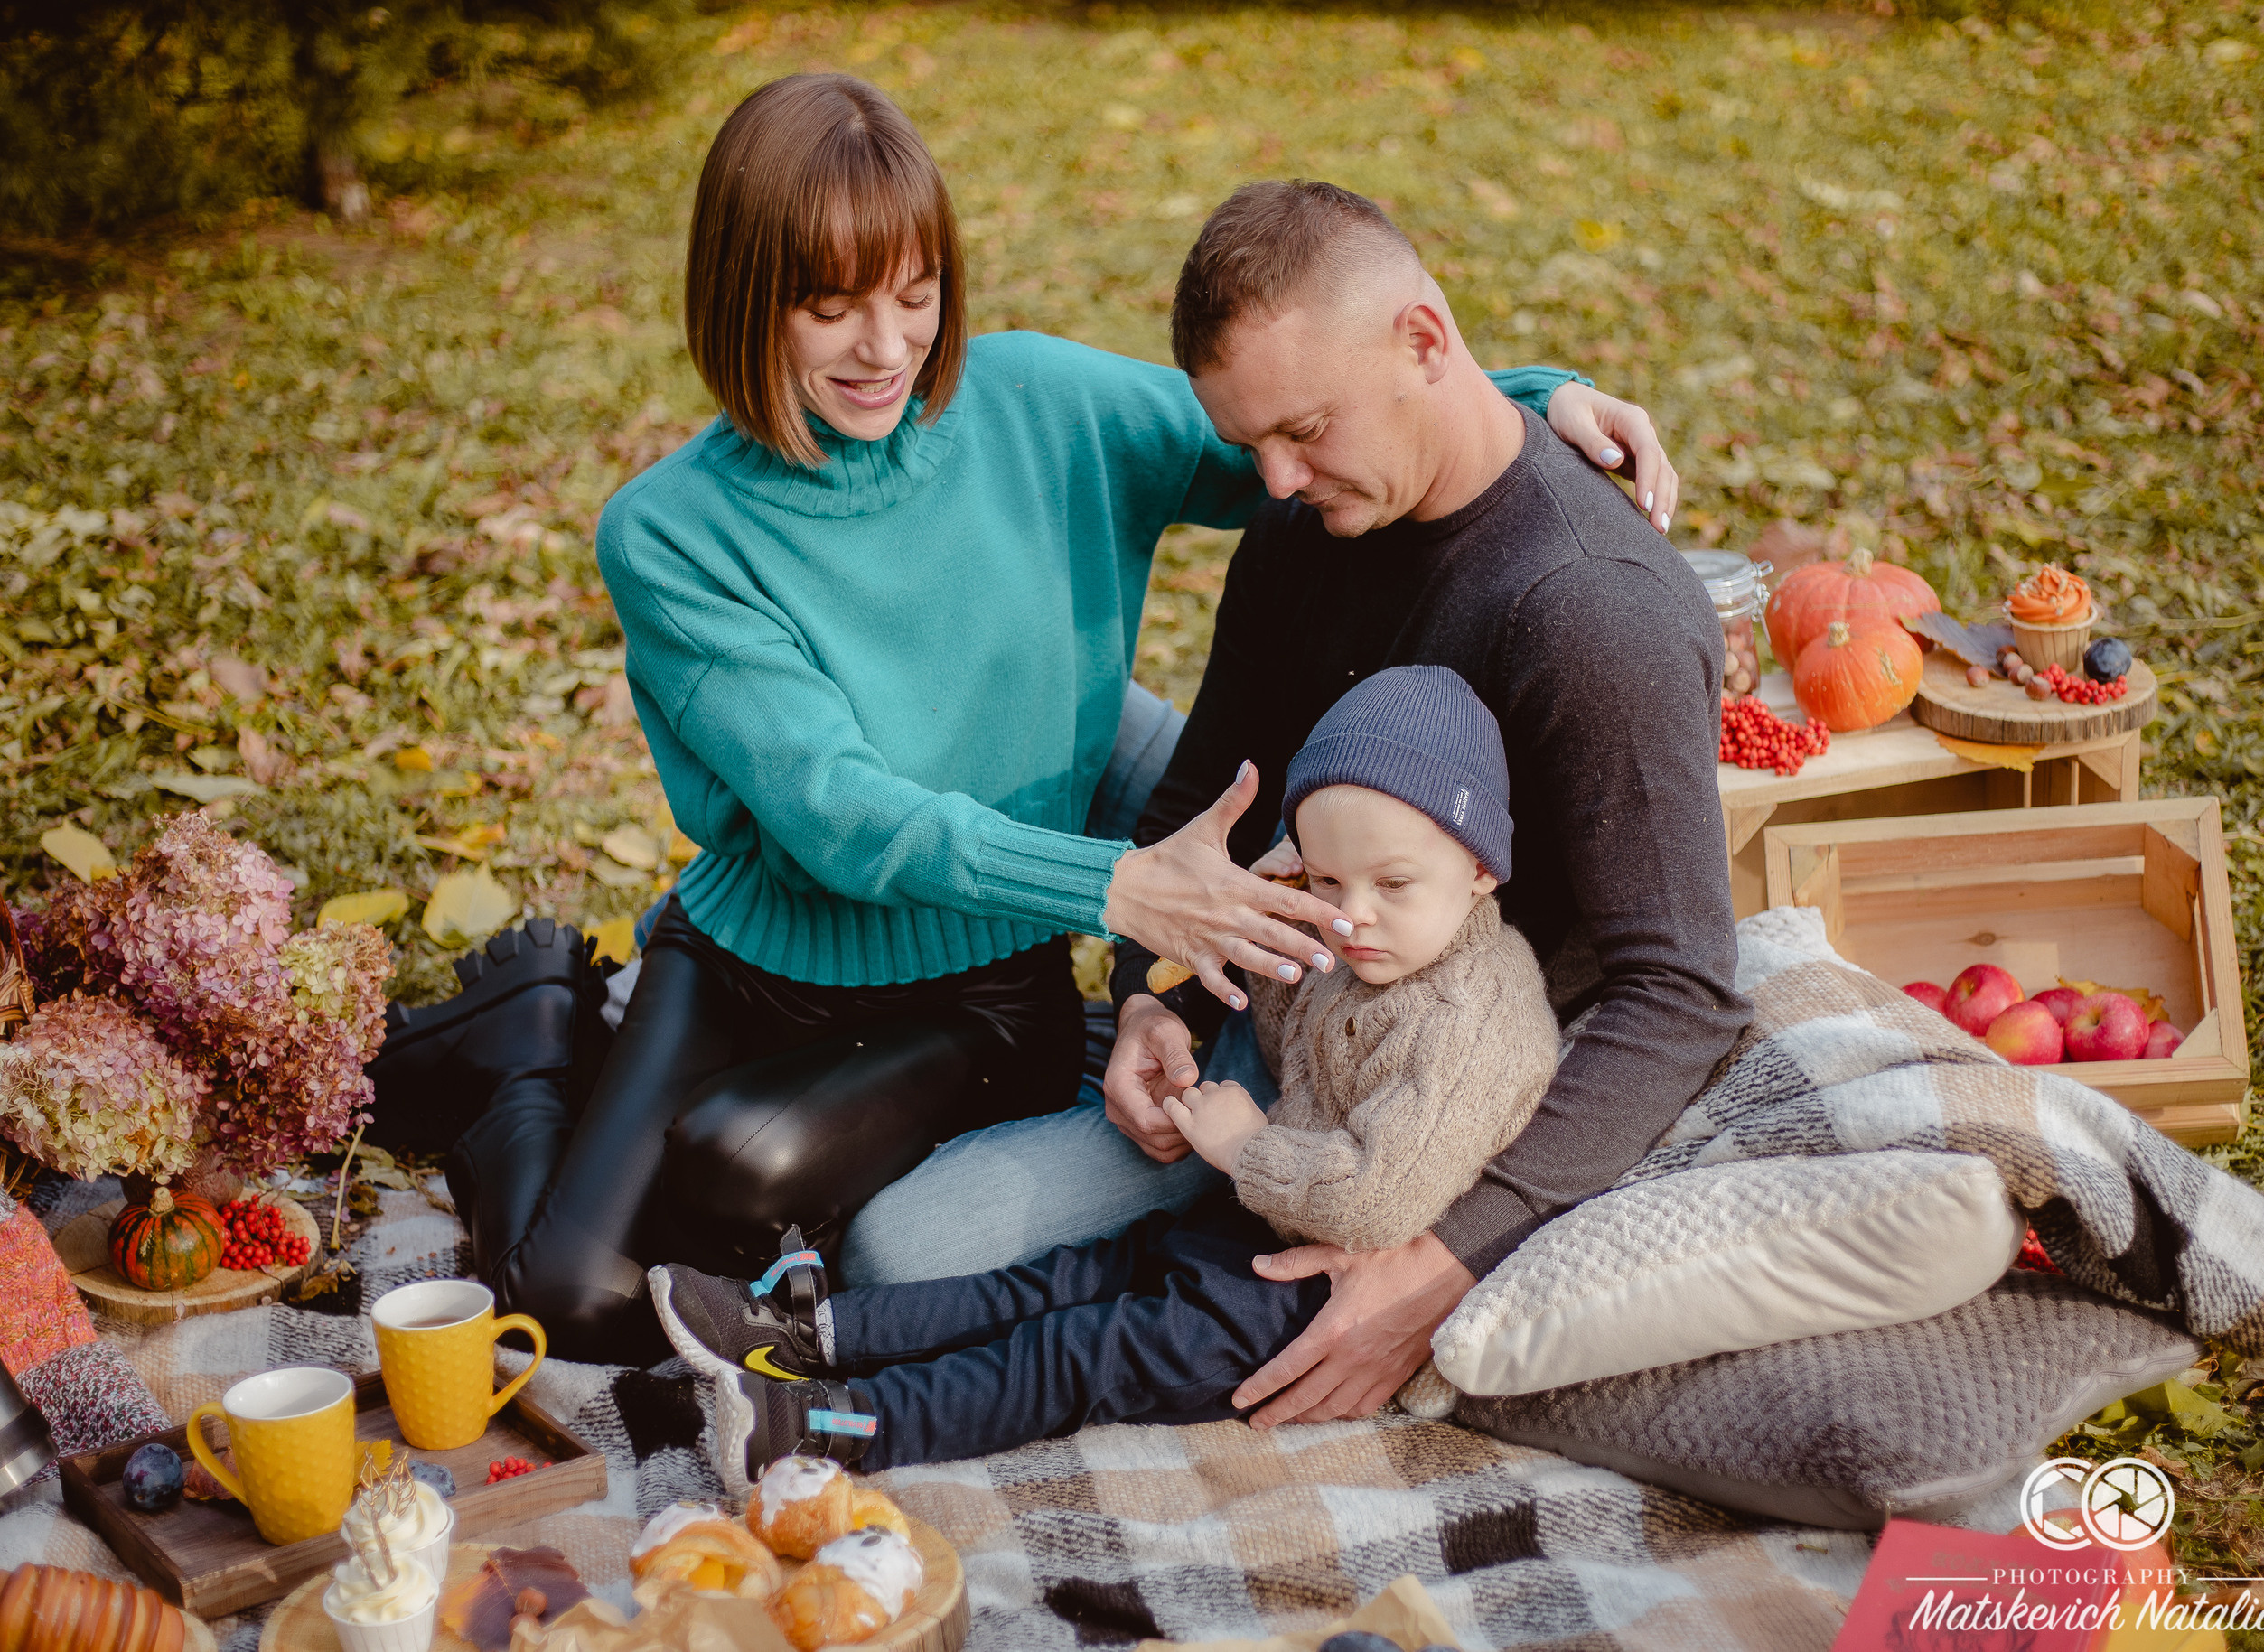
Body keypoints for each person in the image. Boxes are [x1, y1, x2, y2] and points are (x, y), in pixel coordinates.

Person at [367, 75, 1679, 1362]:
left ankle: (577, 1050)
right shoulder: (670, 534)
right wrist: (1118, 889)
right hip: (747, 949)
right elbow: (837, 815)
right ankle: (537, 1034)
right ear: (745, 299)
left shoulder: (1044, 406)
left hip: (981, 981)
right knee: (570, 1299)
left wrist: (1527, 391)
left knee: (732, 1166)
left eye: (916, 296)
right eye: (831, 308)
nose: (886, 348)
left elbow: (1300, 431)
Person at [865, 177, 1750, 1426]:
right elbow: (1198, 790)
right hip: (1278, 953)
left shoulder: (1590, 612)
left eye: (1306, 431)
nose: (1274, 481)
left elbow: (1682, 989)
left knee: (901, 1257)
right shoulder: (1307, 525)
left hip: (1392, 1072)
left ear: (1425, 343)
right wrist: (1137, 998)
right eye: (1250, 446)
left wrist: (1438, 1265)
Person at [646, 667, 1560, 1481]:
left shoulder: (1466, 1013)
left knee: (1072, 1351)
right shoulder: (1373, 943)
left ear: (1480, 868)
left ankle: (831, 1430)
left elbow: (1379, 1199)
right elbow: (1294, 1023)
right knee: (1060, 1277)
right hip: (1257, 1218)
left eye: (1388, 885)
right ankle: (809, 1331)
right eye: (1328, 881)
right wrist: (1282, 888)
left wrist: (1248, 1145)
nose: (1351, 918)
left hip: (1316, 1294)